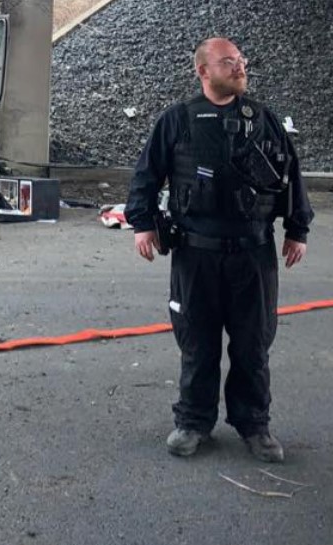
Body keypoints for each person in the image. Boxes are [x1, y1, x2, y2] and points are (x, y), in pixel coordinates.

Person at [126, 37, 310, 463]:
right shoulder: (178, 121)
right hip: (197, 253)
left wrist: (297, 228)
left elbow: (290, 174)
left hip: (253, 253)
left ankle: (254, 425)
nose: (240, 66)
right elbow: (147, 175)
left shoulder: (263, 120)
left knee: (252, 344)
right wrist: (141, 224)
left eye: (242, 60)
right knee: (197, 342)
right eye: (229, 61)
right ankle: (193, 421)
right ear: (204, 71)